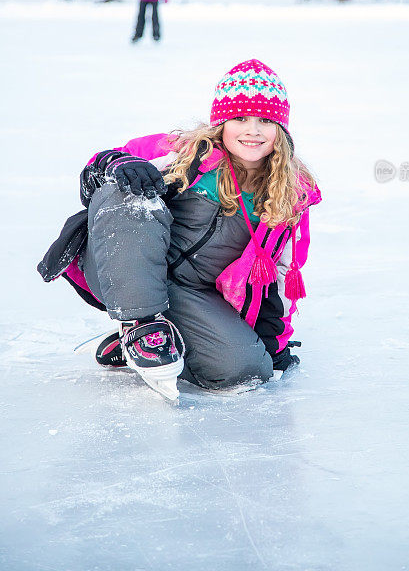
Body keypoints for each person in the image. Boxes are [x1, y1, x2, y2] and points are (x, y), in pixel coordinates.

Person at [38, 59, 321, 401]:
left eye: (265, 120)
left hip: (194, 294)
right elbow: (102, 173)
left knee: (246, 371)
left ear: (281, 130)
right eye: (240, 118)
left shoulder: (289, 195)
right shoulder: (186, 153)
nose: (253, 130)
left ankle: (156, 337)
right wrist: (117, 163)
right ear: (221, 123)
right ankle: (141, 323)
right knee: (126, 187)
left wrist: (275, 343)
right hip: (122, 263)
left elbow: (283, 274)